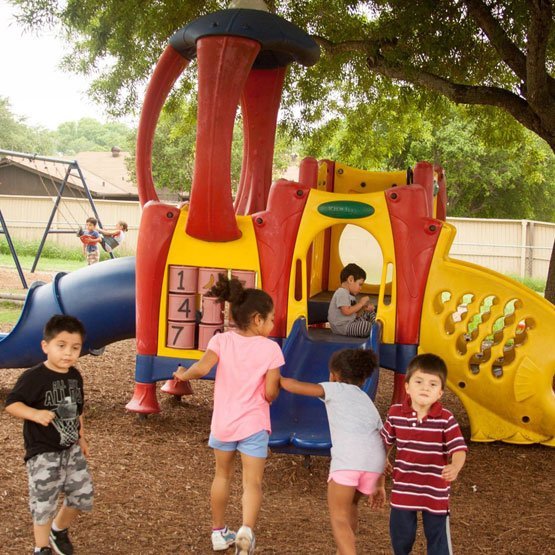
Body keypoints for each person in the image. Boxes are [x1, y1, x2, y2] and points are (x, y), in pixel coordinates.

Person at [174, 274, 284, 554]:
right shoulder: (271, 349)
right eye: (271, 319)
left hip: (223, 423)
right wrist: (272, 392)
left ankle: (218, 532)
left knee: (222, 476)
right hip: (255, 425)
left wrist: (182, 375)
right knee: (252, 482)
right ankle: (246, 530)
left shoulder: (221, 341)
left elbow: (201, 368)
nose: (273, 325)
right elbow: (271, 393)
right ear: (257, 319)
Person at [280, 349, 386, 555]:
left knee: (338, 517)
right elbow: (382, 439)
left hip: (348, 462)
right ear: (363, 380)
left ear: (334, 375)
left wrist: (278, 378)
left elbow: (295, 386)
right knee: (351, 505)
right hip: (373, 464)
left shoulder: (334, 388)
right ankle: (343, 551)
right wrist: (380, 483)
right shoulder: (367, 402)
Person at [4, 315, 93, 555]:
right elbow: (12, 404)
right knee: (43, 503)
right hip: (43, 452)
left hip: (71, 448)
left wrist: (81, 437)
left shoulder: (75, 376)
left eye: (75, 348)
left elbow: (77, 410)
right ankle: (41, 548)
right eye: (61, 346)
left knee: (81, 496)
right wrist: (35, 413)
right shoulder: (34, 377)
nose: (68, 353)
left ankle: (58, 530)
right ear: (46, 346)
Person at [381, 354, 468, 555]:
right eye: (419, 381)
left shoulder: (445, 419)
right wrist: (383, 458)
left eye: (432, 384)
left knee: (437, 539)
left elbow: (459, 449)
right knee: (401, 536)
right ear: (407, 387)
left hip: (434, 490)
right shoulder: (395, 413)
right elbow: (385, 440)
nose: (425, 387)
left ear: (440, 393)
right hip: (404, 488)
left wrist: (455, 466)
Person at [328, 263, 376, 337]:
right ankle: (374, 328)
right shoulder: (341, 292)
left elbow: (355, 315)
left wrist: (364, 308)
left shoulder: (350, 295)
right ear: (350, 280)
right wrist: (361, 303)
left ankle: (376, 326)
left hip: (350, 322)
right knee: (366, 326)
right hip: (342, 327)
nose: (361, 288)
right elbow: (346, 311)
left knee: (369, 312)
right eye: (360, 284)